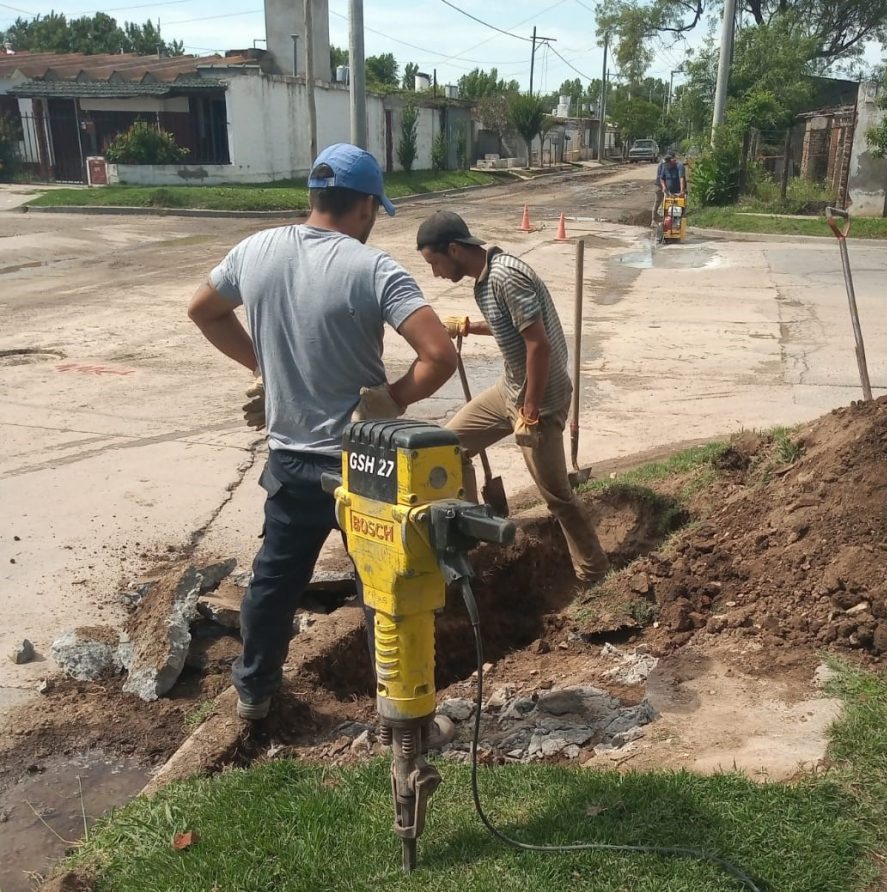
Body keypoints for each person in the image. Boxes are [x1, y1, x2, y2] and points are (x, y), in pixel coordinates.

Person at [188, 143, 458, 725]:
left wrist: (259, 363)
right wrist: (393, 399)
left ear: (313, 197)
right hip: (364, 465)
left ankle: (254, 693)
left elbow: (203, 310)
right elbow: (439, 355)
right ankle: (398, 705)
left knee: (276, 579)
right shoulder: (373, 268)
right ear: (363, 206)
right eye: (373, 211)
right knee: (384, 584)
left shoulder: (254, 252)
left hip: (289, 459)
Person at [415, 210, 609, 584]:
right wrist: (470, 326)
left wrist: (531, 410)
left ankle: (595, 573)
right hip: (510, 390)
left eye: (435, 263)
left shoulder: (505, 277)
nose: (436, 273)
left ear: (454, 249)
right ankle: (470, 536)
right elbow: (515, 327)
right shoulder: (484, 281)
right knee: (447, 448)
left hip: (541, 399)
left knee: (557, 498)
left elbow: (539, 346)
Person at [653, 150, 687, 225]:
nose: (666, 166)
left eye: (667, 164)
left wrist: (682, 191)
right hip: (669, 192)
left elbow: (681, 178)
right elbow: (662, 178)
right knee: (667, 209)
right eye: (665, 164)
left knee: (679, 209)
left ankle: (679, 225)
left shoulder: (679, 166)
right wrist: (664, 187)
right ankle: (666, 225)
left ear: (671, 162)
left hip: (678, 191)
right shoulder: (665, 167)